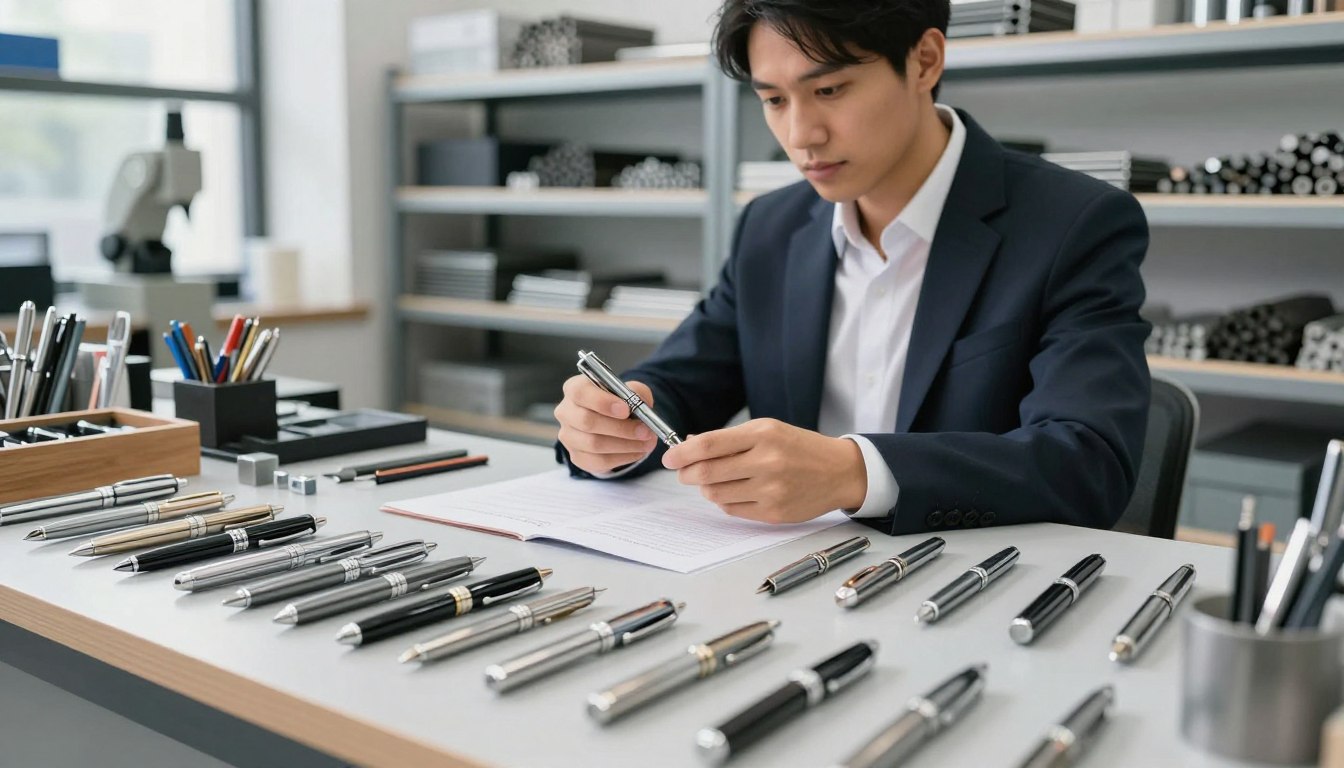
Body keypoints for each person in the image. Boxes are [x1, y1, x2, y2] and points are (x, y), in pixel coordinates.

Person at [553, 0, 1151, 536]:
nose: (800, 135)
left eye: (831, 90)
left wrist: (854, 473)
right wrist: (615, 428)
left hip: (973, 586)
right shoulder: (771, 225)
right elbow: (682, 385)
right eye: (773, 100)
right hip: (782, 582)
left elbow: (1087, 462)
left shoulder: (1074, 224)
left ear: (924, 60)